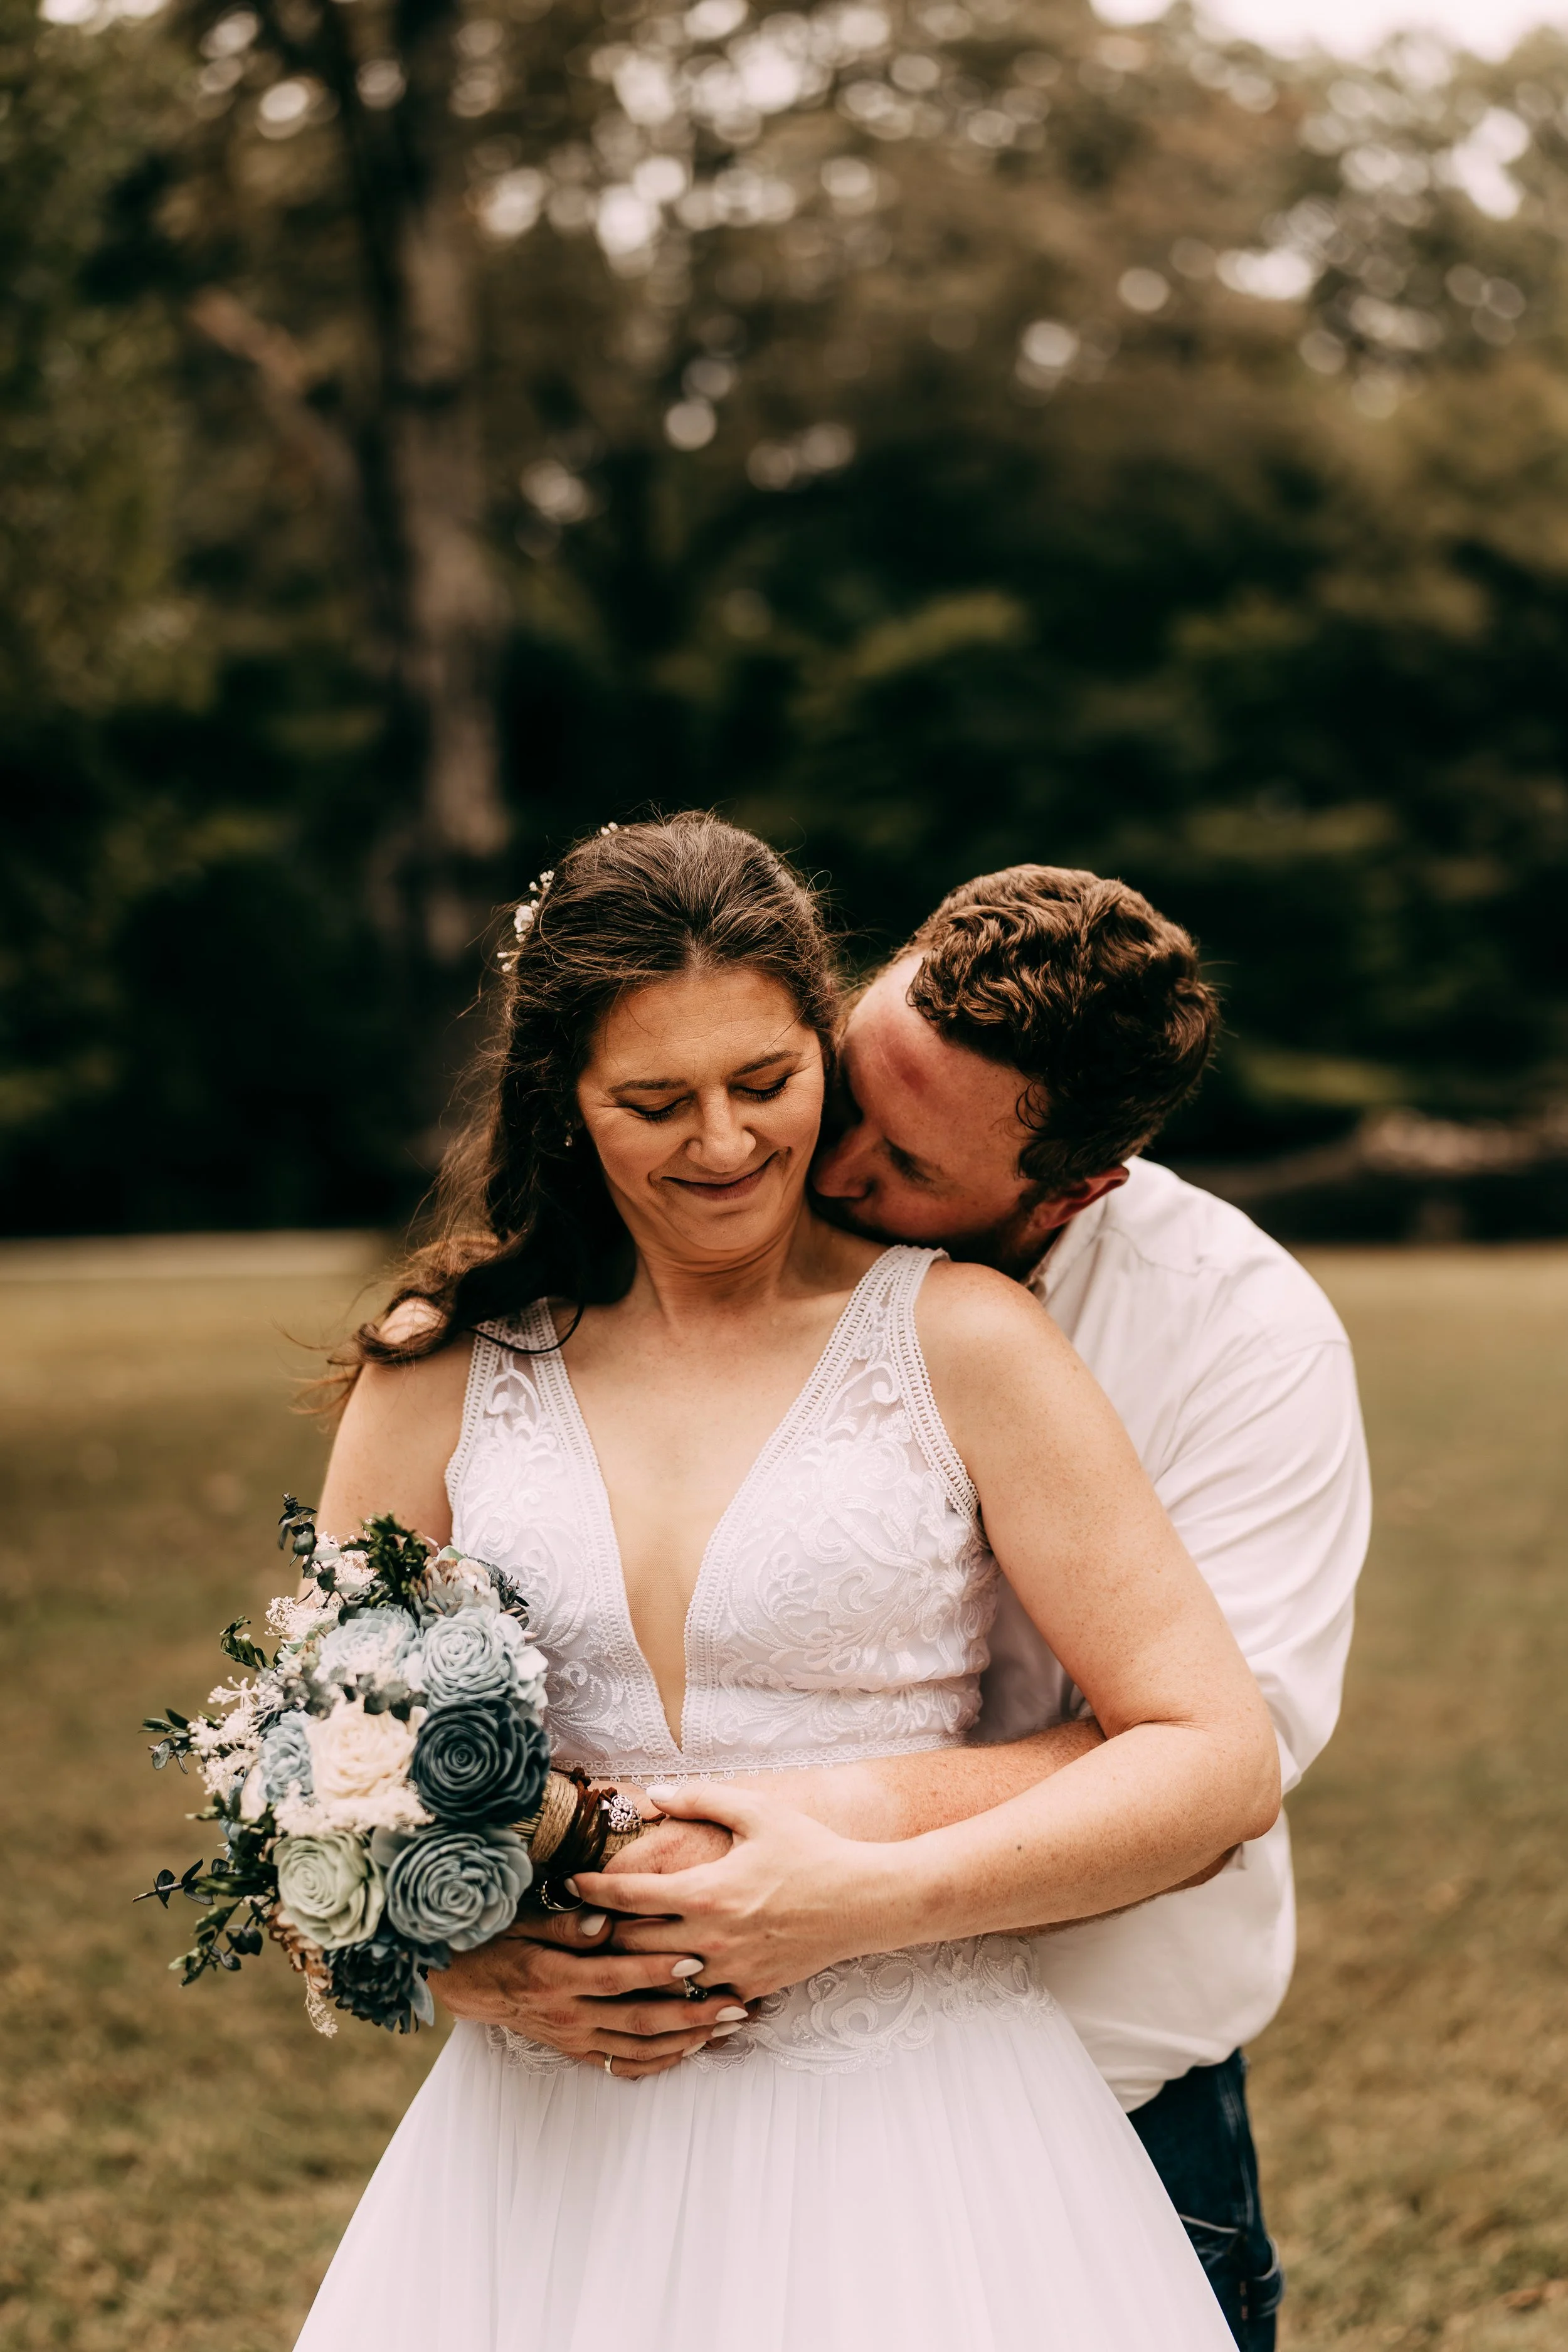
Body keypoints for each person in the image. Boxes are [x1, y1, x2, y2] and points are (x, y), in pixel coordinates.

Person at [294, 815, 1278, 2352]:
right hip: (544, 2164)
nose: (725, 1143)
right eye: (654, 1100)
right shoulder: (441, 1369)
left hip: (918, 2129)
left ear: (824, 1043)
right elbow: (320, 1776)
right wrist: (460, 1956)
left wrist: (863, 1900)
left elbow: (1214, 1759)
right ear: (565, 1097)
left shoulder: (962, 1340)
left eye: (766, 1082)